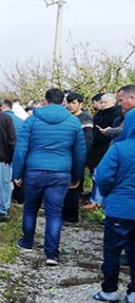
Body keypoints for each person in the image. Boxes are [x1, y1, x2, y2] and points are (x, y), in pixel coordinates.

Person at [13, 88, 86, 266]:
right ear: (63, 101)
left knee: (30, 207)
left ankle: (27, 242)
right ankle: (51, 253)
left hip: (34, 171)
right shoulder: (73, 122)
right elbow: (80, 152)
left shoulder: (32, 120)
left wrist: (17, 173)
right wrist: (76, 176)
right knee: (54, 212)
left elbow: (21, 149)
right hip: (60, 173)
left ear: (45, 101)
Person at [91, 105, 135, 303]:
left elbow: (102, 175)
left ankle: (109, 290)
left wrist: (109, 193)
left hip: (119, 209)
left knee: (112, 250)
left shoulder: (119, 148)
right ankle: (133, 293)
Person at [85, 93, 122, 210]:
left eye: (104, 102)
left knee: (100, 173)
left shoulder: (115, 114)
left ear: (112, 102)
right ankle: (95, 198)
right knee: (95, 173)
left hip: (105, 148)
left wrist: (106, 134)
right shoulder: (100, 113)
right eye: (101, 102)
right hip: (96, 147)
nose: (102, 104)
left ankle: (97, 200)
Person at [62, 91, 93, 224]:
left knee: (73, 187)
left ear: (80, 104)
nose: (70, 106)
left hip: (77, 157)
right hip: (65, 157)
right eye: (68, 102)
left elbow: (87, 141)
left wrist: (80, 157)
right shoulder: (66, 117)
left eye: (73, 103)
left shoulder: (85, 118)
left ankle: (72, 217)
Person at [2, 99, 25, 204]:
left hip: (2, 154)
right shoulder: (22, 122)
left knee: (2, 179)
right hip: (18, 153)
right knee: (17, 177)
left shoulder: (0, 120)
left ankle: (2, 202)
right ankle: (19, 200)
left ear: (2, 107)